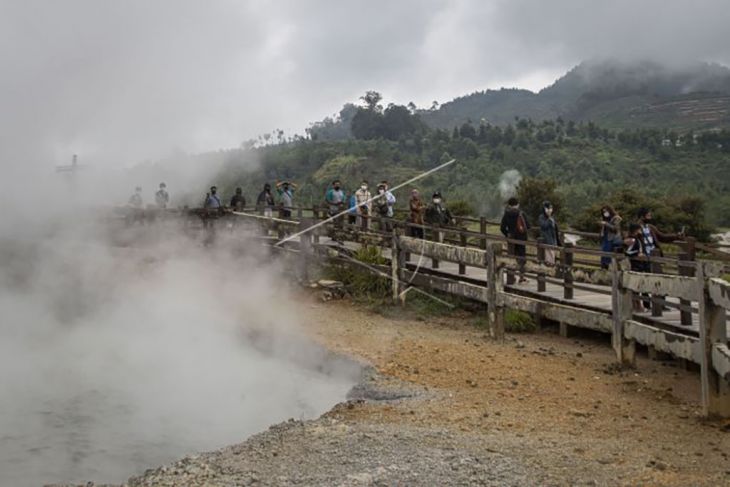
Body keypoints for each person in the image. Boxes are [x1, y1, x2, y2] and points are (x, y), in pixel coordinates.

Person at [500, 197, 529, 283]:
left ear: (509, 205)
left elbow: (502, 228)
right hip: (521, 238)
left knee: (511, 257)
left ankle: (511, 277)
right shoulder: (521, 213)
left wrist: (507, 234)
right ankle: (521, 277)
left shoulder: (506, 214)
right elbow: (528, 226)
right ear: (517, 204)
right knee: (521, 257)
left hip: (511, 238)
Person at [625, 223, 650, 311]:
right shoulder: (633, 239)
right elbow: (628, 252)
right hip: (635, 264)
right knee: (636, 287)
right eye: (639, 229)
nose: (641, 231)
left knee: (637, 286)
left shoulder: (638, 239)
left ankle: (637, 306)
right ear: (636, 230)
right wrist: (637, 254)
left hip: (639, 264)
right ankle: (638, 306)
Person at [538, 201, 561, 266]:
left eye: (551, 208)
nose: (550, 210)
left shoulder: (552, 217)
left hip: (553, 240)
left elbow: (555, 228)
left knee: (553, 255)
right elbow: (543, 226)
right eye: (549, 208)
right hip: (547, 240)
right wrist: (549, 220)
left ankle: (551, 267)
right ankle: (549, 268)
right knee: (548, 256)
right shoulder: (541, 217)